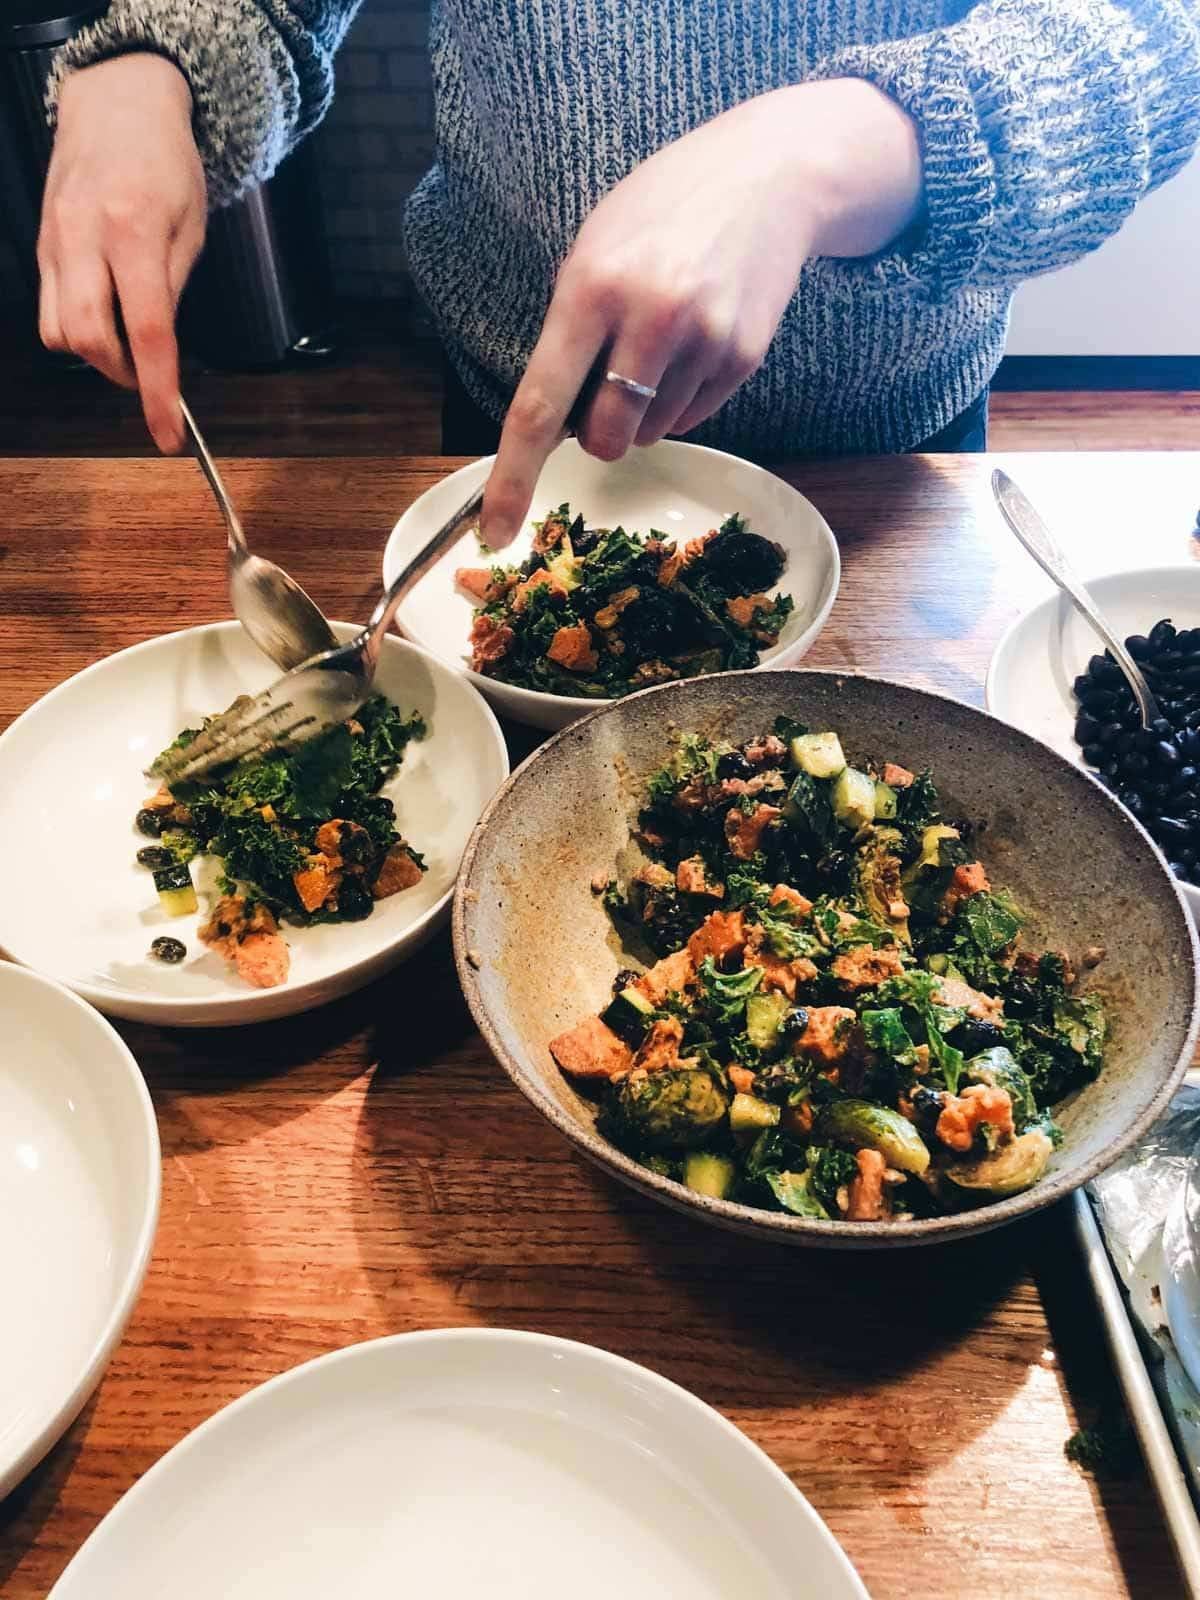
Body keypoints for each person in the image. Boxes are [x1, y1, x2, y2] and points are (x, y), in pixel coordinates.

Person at [37, 0, 1200, 547]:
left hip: (889, 466)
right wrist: (161, 56)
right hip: (523, 448)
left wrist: (841, 142)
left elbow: (1155, 33)